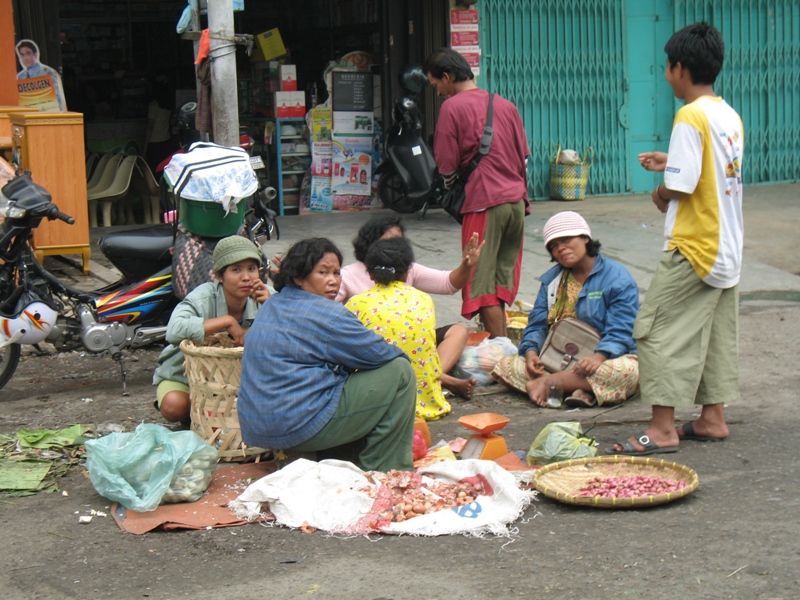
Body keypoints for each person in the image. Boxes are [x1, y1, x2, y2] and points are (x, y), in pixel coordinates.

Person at [610, 23, 744, 455]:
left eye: (667, 67)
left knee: (656, 330)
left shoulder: (689, 115)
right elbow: (710, 169)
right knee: (715, 331)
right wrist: (672, 162)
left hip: (694, 246)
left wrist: (661, 190)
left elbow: (683, 186)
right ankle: (712, 418)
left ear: (680, 67)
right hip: (727, 246)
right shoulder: (727, 114)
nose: (666, 75)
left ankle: (663, 428)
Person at [238, 238, 417, 472]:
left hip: (258, 427)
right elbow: (381, 354)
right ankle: (385, 470)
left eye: (336, 273)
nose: (333, 281)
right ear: (298, 277)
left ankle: (337, 453)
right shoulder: (329, 314)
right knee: (401, 372)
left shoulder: (273, 303)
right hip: (296, 426)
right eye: (323, 273)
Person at [423, 48, 530, 339]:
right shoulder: (505, 105)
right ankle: (504, 346)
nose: (439, 93)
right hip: (517, 203)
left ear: (447, 77)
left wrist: (450, 187)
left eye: (436, 86)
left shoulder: (452, 108)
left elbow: (446, 165)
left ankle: (502, 354)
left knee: (480, 287)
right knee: (500, 282)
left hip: (484, 202)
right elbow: (524, 159)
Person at [492, 212, 640, 408]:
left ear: (585, 238)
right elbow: (537, 324)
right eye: (553, 246)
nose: (560, 248)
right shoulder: (551, 281)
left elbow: (622, 329)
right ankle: (580, 389)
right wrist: (531, 353)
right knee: (504, 366)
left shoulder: (617, 277)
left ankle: (550, 384)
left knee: (626, 372)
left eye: (566, 240)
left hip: (603, 360)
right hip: (558, 358)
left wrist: (599, 356)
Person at [336, 214, 484, 399]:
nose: (396, 247)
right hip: (373, 347)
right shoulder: (348, 275)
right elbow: (326, 309)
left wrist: (466, 265)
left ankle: (433, 377)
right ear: (370, 245)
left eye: (400, 241)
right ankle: (439, 379)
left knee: (458, 331)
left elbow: (448, 284)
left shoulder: (407, 268)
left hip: (409, 339)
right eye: (389, 241)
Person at [152, 236, 269, 424]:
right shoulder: (203, 296)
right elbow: (174, 330)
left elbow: (296, 331)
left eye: (252, 269)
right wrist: (227, 321)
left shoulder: (266, 295)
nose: (246, 277)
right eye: (236, 269)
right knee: (174, 407)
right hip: (187, 377)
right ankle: (197, 417)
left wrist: (273, 307)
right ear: (219, 276)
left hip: (242, 382)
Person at [346, 237, 450, 421]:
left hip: (379, 408)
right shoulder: (423, 299)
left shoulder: (356, 303)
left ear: (369, 273)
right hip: (425, 404)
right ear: (408, 271)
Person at [15, 39, 66, 111]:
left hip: (47, 115)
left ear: (35, 55)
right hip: (29, 116)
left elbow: (58, 101)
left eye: (28, 54)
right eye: (22, 55)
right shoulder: (21, 77)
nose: (25, 58)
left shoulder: (48, 73)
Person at [143, 75, 178, 174]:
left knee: (153, 169)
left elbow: (150, 127)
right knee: (163, 168)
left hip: (154, 142)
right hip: (166, 140)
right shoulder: (168, 105)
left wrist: (144, 149)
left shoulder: (153, 106)